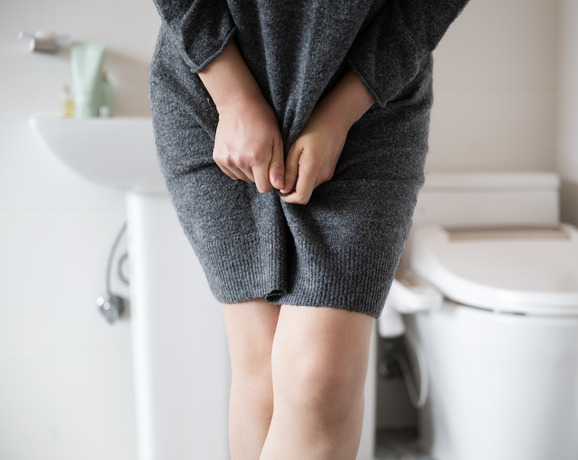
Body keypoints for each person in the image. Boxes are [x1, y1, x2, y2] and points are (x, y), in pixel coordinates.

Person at [149, 1, 469, 458]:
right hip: (215, 90)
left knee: (320, 378)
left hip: (370, 98)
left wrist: (339, 115)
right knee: (261, 374)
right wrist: (234, 96)